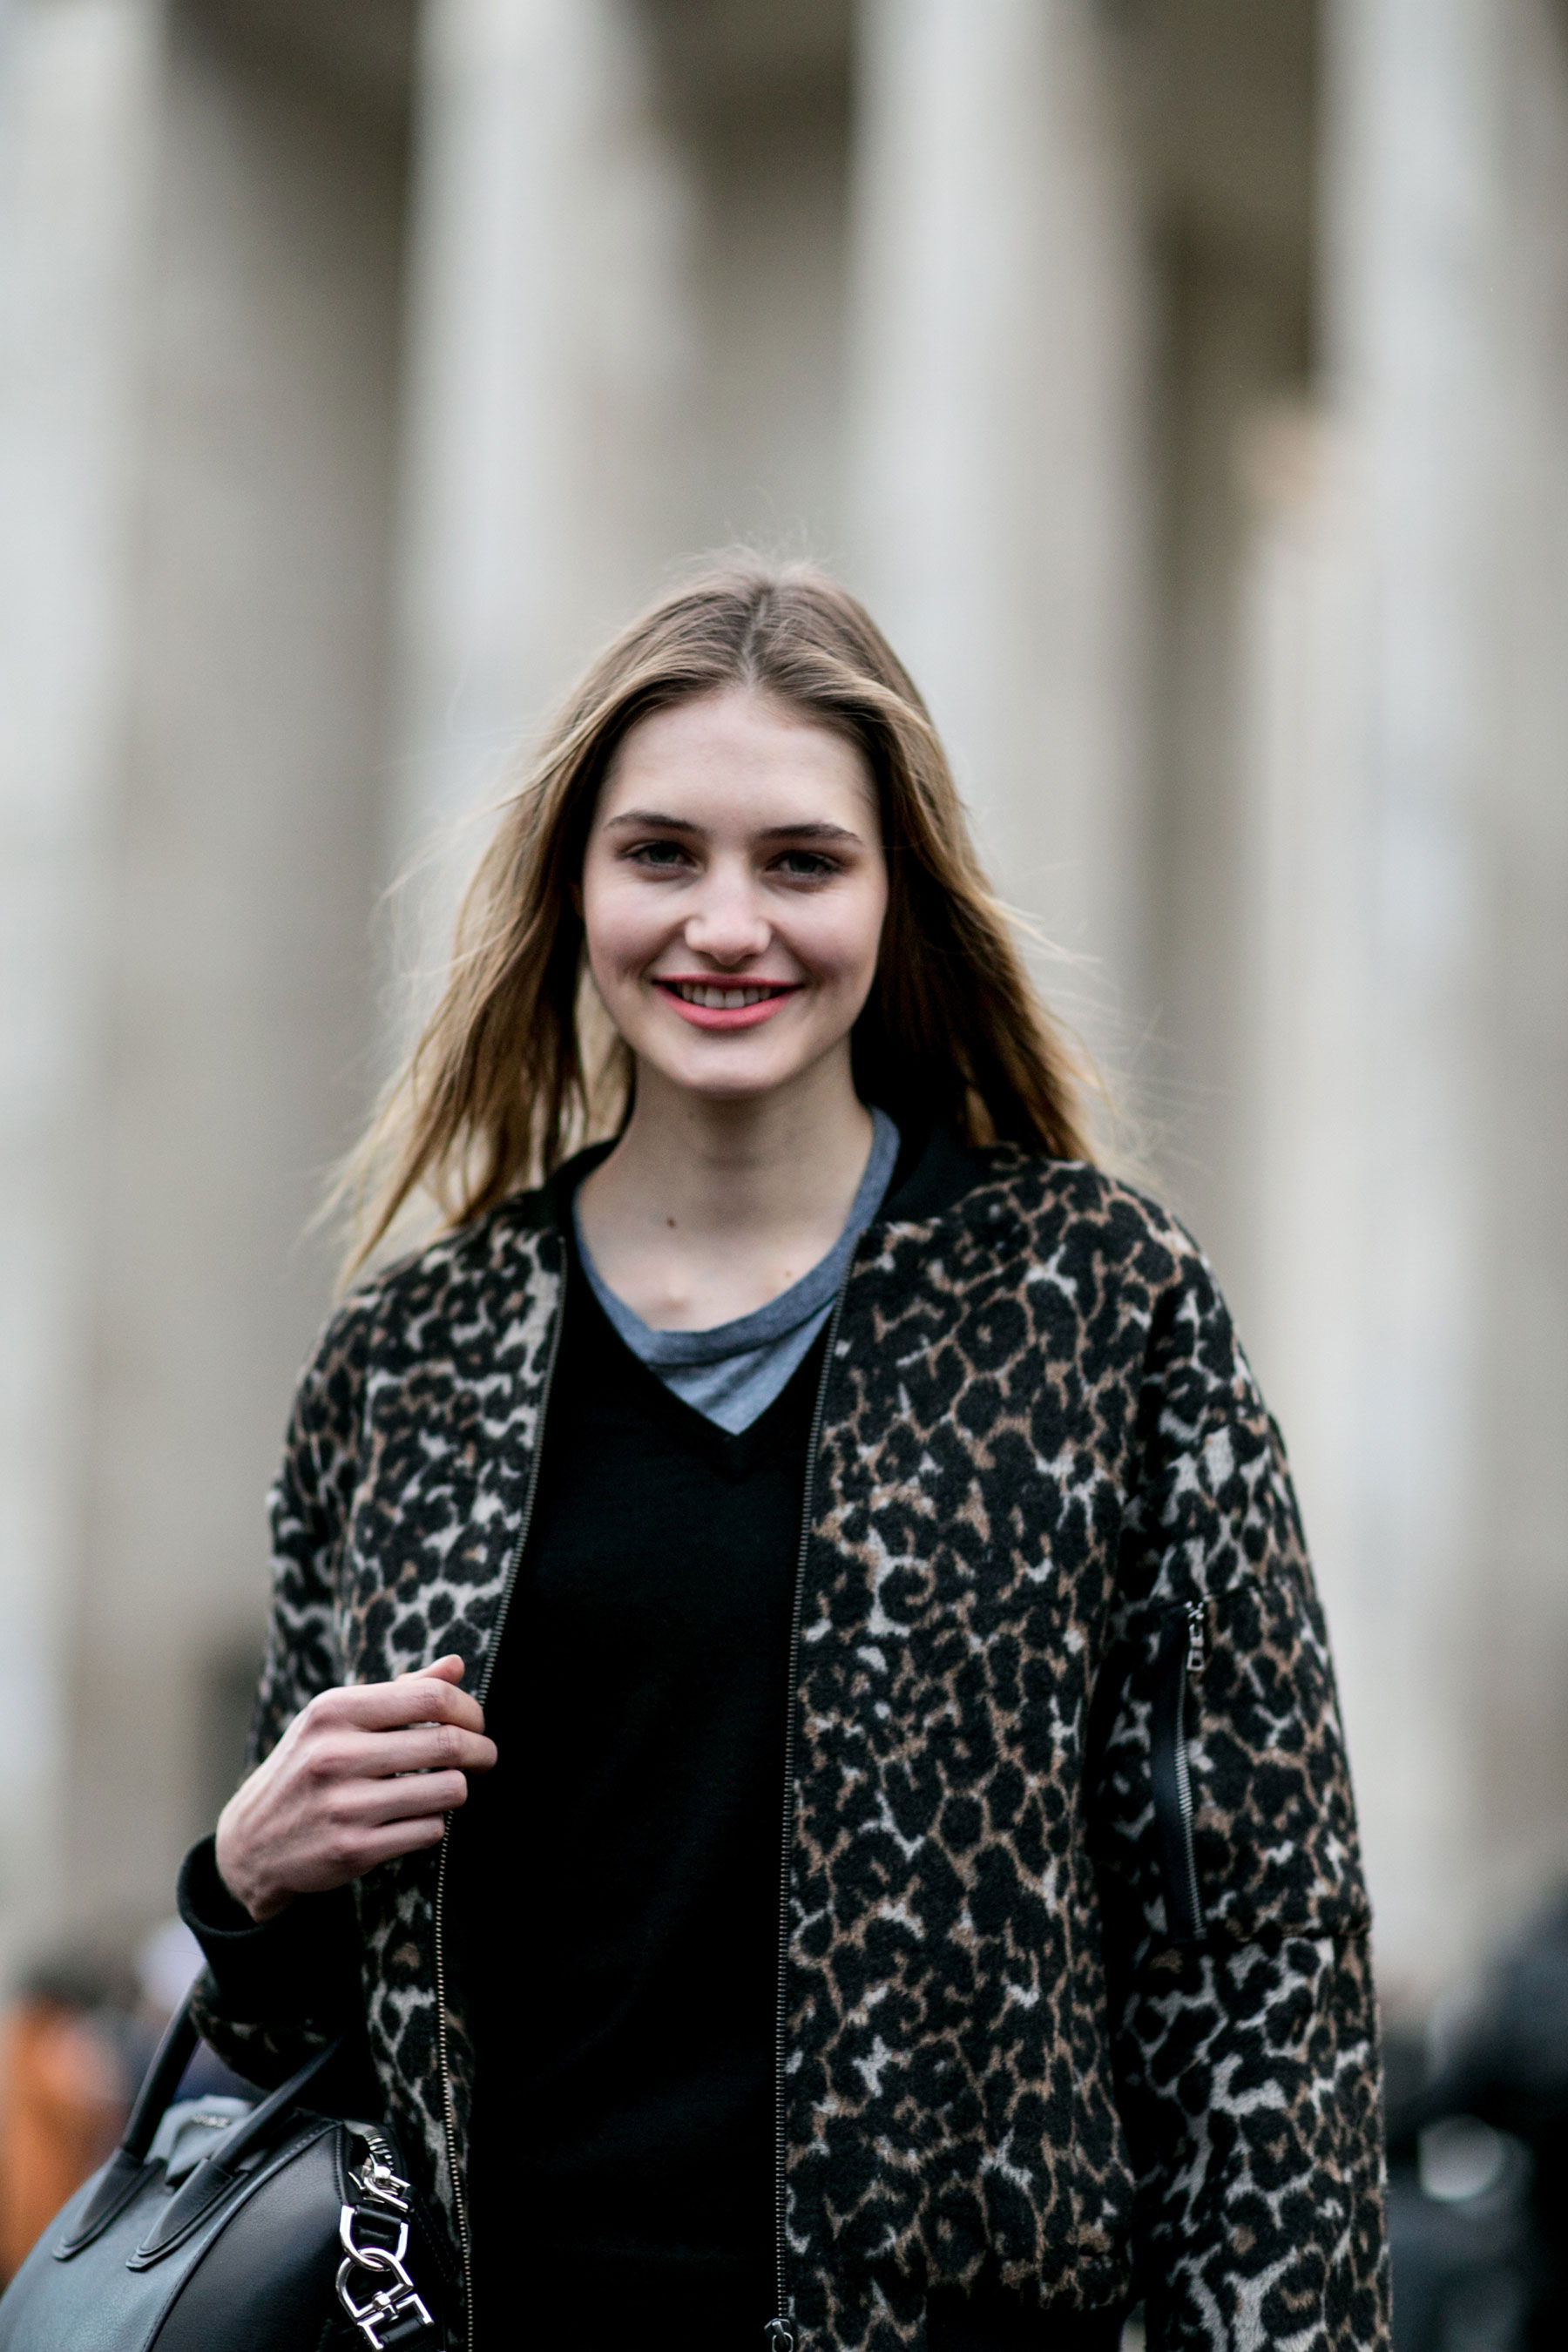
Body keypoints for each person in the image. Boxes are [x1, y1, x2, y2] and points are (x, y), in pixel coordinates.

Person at [179, 560, 1389, 2351]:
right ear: (576, 886)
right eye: (662, 854)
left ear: (898, 895)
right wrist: (243, 1886)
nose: (727, 924)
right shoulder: (410, 1363)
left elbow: (1264, 1958)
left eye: (803, 862)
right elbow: (307, 2048)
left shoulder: (1096, 1305)